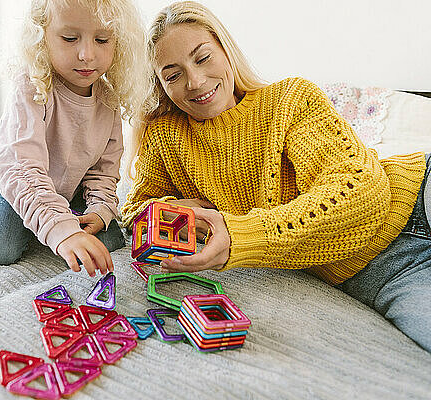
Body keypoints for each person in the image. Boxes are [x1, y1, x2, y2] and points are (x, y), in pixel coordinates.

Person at [121, 1, 431, 352]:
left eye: (203, 57)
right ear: (162, 86)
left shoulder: (290, 99)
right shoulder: (166, 138)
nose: (195, 81)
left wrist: (239, 235)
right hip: (382, 275)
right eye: (173, 74)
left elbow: (360, 191)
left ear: (226, 50)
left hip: (418, 190)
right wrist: (177, 207)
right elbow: (134, 213)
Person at [0, 0, 151, 277]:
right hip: (19, 188)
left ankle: (48, 224)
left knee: (111, 239)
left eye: (102, 39)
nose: (87, 54)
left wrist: (100, 209)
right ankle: (42, 224)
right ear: (41, 38)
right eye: (69, 38)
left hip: (72, 191)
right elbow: (22, 169)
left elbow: (104, 171)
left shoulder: (109, 100)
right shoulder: (31, 87)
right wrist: (61, 231)